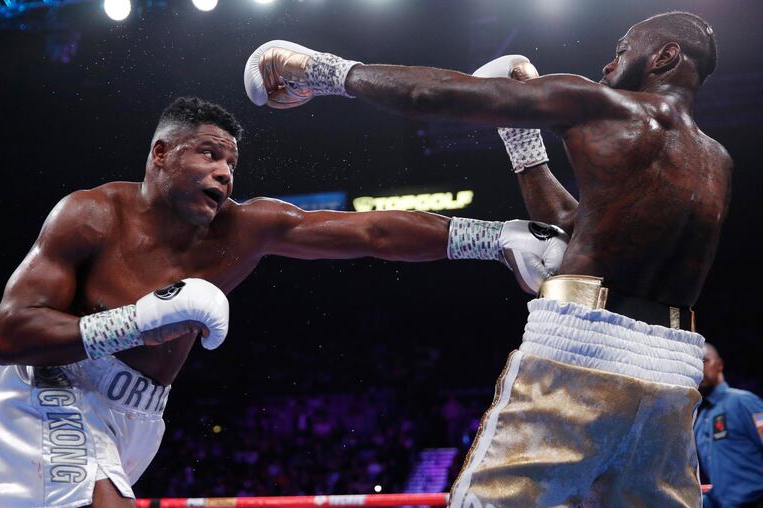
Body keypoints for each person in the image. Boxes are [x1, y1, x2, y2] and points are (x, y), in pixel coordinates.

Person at [0, 96, 566, 508]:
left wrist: (493, 239)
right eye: (208, 153)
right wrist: (131, 323)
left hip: (140, 417)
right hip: (51, 388)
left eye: (231, 161)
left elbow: (370, 233)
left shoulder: (244, 228)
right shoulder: (92, 214)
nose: (225, 172)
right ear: (160, 153)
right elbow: (10, 334)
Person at [245, 10, 732, 506]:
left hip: (583, 348)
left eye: (623, 51)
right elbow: (573, 225)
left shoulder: (597, 101)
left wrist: (318, 68)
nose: (609, 65)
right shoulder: (717, 161)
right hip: (674, 372)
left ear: (665, 55)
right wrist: (520, 137)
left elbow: (428, 94)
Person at [696, 342, 763, 508]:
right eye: (695, 364)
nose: (699, 369)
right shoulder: (698, 420)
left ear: (719, 365)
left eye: (704, 361)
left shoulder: (745, 402)